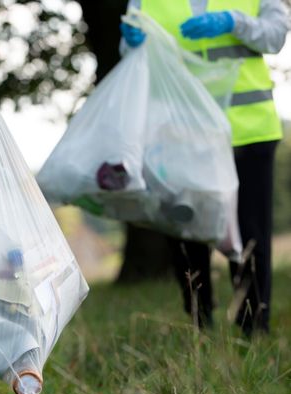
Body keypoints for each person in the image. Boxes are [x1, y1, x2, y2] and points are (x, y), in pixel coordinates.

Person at [120, 0, 289, 335]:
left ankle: (253, 328)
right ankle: (201, 321)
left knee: (249, 232)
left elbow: (276, 36)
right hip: (180, 135)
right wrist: (131, 43)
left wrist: (234, 22)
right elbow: (128, 53)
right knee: (186, 230)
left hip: (247, 130)